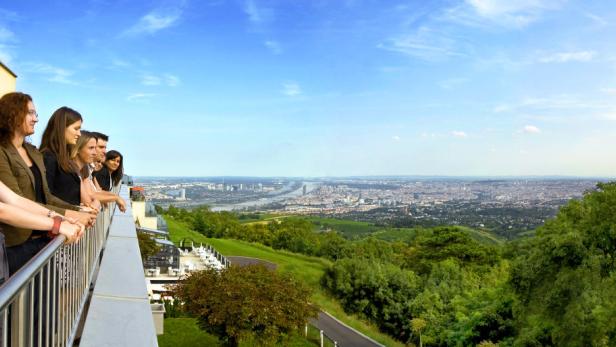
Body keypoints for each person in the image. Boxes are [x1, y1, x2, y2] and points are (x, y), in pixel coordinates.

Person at [0, 92, 89, 274]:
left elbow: (18, 199)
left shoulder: (33, 152)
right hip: (15, 242)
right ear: (12, 114)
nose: (35, 119)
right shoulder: (3, 152)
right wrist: (58, 222)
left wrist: (65, 216)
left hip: (38, 238)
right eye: (30, 113)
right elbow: (7, 208)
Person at [72, 132, 125, 212]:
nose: (104, 151)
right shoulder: (74, 168)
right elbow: (89, 198)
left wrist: (114, 197)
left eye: (105, 148)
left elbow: (94, 193)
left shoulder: (85, 168)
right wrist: (114, 198)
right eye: (100, 147)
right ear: (78, 148)